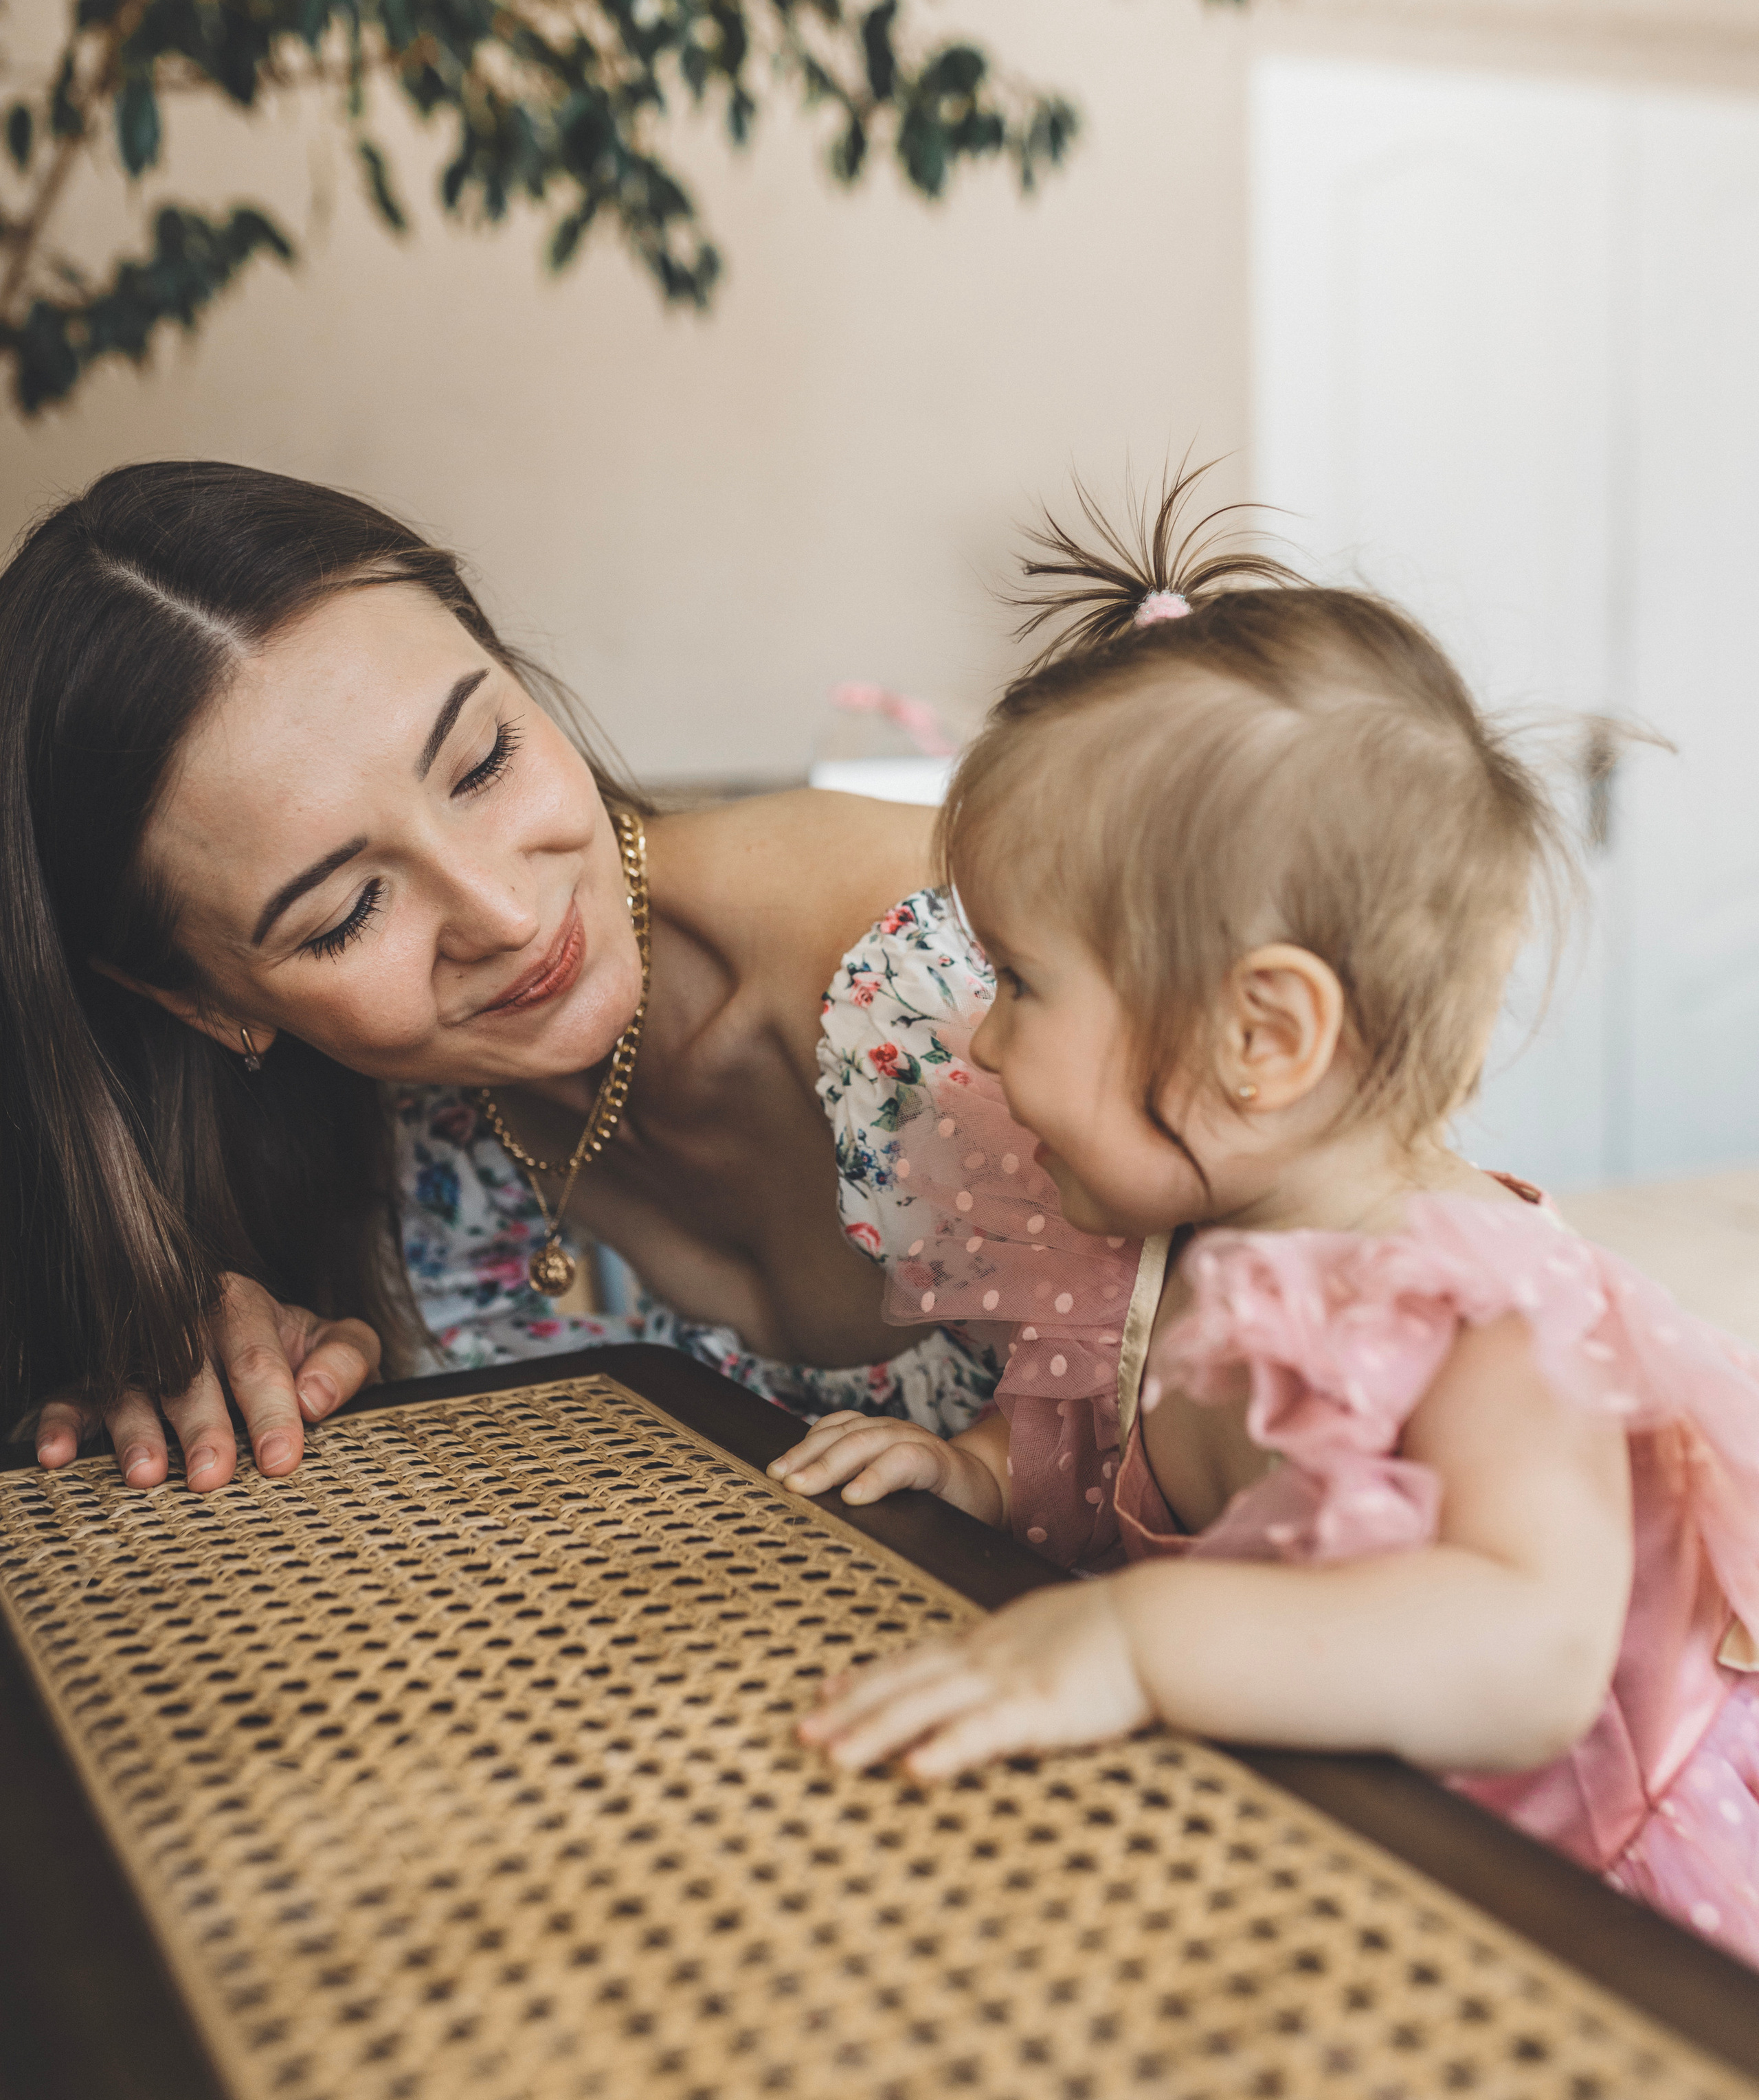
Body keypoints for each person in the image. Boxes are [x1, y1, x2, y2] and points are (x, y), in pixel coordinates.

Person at [778, 504, 1759, 1962]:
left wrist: (1137, 1646)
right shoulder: (1153, 1252)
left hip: (1578, 1904)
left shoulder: (1482, 1317)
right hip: (1337, 1849)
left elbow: (1531, 1655)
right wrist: (967, 1472)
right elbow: (1100, 1448)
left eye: (1023, 982)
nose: (975, 1037)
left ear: (1262, 1033)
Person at [3, 462, 999, 1491]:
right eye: (345, 914)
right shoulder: (366, 1163)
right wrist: (224, 1374)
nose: (505, 915)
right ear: (199, 1002)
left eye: (482, 762)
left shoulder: (961, 972)